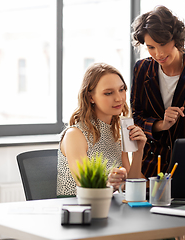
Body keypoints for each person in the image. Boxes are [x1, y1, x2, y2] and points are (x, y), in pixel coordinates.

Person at [130, 5, 185, 179]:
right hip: (150, 169)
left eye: (162, 44)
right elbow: (136, 119)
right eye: (151, 47)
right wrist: (161, 124)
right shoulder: (142, 69)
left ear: (176, 38)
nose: (158, 53)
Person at [57, 63, 146, 197]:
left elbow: (132, 187)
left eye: (121, 89)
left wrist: (138, 152)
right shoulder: (75, 135)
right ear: (90, 97)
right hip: (78, 208)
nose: (119, 98)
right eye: (109, 93)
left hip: (110, 207)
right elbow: (87, 187)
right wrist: (109, 184)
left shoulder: (116, 133)